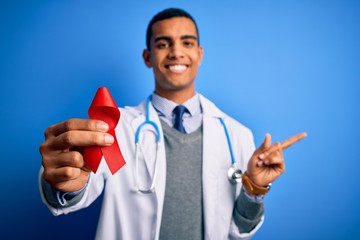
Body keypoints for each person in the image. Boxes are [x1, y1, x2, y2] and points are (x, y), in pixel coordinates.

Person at [39, 8, 306, 240]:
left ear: (199, 54)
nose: (176, 52)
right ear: (147, 57)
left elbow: (238, 231)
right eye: (163, 44)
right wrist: (65, 181)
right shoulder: (115, 128)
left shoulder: (236, 134)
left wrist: (254, 190)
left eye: (187, 43)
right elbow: (72, 196)